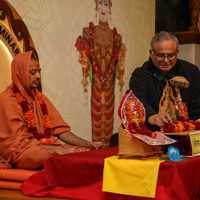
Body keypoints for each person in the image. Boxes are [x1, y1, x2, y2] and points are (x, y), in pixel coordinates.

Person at [0, 50, 102, 169]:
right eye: (33, 72)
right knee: (44, 155)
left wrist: (88, 144)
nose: (38, 76)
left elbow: (60, 130)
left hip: (44, 147)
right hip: (21, 151)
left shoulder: (40, 98)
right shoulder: (6, 99)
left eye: (39, 72)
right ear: (20, 73)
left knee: (81, 152)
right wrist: (58, 150)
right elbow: (19, 143)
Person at [75, 0, 126, 147]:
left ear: (110, 7)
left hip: (110, 89)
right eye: (100, 3)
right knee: (97, 124)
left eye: (106, 4)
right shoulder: (88, 32)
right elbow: (86, 63)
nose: (103, 8)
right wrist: (83, 59)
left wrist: (122, 59)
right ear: (96, 7)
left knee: (109, 124)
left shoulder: (117, 38)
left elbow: (118, 68)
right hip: (96, 87)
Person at [129, 31, 200, 131]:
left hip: (185, 133)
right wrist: (151, 115)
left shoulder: (191, 72)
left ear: (177, 53)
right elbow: (138, 101)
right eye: (160, 55)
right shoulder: (140, 75)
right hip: (154, 135)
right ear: (151, 53)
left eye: (170, 55)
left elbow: (196, 109)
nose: (166, 60)